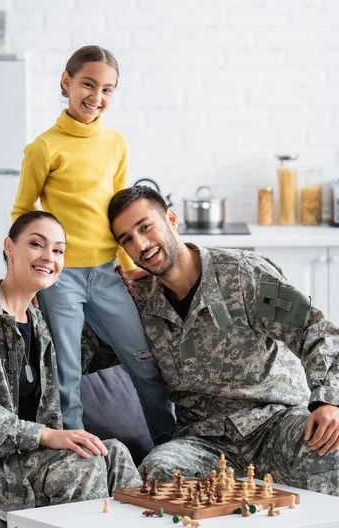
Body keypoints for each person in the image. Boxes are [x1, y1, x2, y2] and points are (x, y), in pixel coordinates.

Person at [105, 185, 339, 496]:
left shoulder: (244, 274)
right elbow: (86, 350)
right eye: (127, 240)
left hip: (275, 425)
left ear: (171, 219)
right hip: (203, 443)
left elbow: (315, 329)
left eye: (145, 227)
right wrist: (47, 293)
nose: (141, 244)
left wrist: (328, 400)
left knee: (331, 451)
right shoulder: (138, 300)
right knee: (155, 475)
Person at [11, 45, 174, 445]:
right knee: (66, 374)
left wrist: (125, 263)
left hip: (107, 273)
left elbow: (119, 211)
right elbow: (22, 209)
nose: (96, 97)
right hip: (62, 278)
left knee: (145, 364)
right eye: (88, 84)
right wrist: (26, 276)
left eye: (107, 89)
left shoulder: (115, 143)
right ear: (66, 82)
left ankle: (173, 447)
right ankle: (76, 457)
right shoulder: (44, 147)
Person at [0, 211, 140, 523]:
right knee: (82, 464)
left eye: (58, 250)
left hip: (26, 461)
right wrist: (45, 435)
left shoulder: (41, 324)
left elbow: (90, 354)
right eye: (37, 244)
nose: (49, 257)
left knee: (112, 454)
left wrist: (126, 299)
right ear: (9, 246)